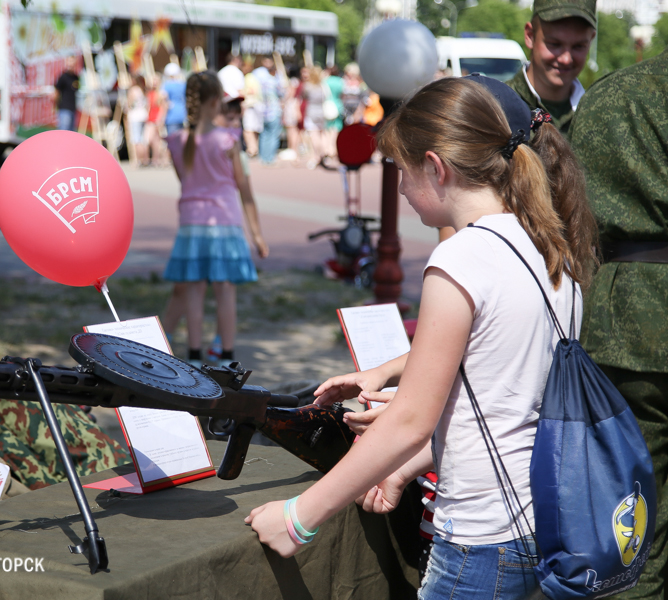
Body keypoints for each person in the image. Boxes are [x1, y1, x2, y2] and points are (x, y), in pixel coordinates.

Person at [246, 76, 597, 600]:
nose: (403, 190)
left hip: (479, 540)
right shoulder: (551, 250)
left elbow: (411, 421)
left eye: (402, 172)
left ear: (435, 167)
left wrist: (299, 517)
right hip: (537, 521)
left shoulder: (460, 259)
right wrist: (404, 468)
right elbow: (507, 402)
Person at [568, 50, 668, 600]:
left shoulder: (609, 94)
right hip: (624, 320)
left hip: (622, 324)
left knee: (630, 519)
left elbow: (572, 216)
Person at [164, 71, 268, 368]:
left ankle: (194, 356)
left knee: (194, 289)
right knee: (225, 290)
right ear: (214, 101)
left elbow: (185, 181)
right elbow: (244, 189)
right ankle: (227, 357)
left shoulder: (177, 141)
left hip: (191, 222)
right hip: (224, 221)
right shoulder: (228, 140)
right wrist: (257, 235)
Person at [505, 0, 597, 134]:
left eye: (578, 46)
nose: (566, 59)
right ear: (530, 36)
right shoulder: (496, 110)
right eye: (554, 44)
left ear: (591, 40)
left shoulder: (600, 115)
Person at [253, 57, 284, 164]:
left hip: (263, 111)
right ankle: (269, 158)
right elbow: (282, 94)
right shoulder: (275, 81)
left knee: (265, 135)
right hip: (273, 111)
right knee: (272, 135)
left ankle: (263, 157)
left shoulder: (260, 78)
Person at [301, 66, 327, 169]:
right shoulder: (322, 86)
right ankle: (324, 152)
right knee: (322, 134)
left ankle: (316, 156)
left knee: (314, 135)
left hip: (312, 112)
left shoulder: (308, 86)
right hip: (321, 112)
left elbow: (303, 97)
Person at [241, 57, 263, 159]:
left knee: (248, 129)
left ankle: (251, 149)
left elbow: (252, 91)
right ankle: (255, 148)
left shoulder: (248, 78)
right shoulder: (254, 77)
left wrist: (241, 93)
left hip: (251, 106)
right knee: (254, 129)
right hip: (257, 105)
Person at [127, 75, 150, 167]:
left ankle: (138, 160)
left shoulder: (133, 90)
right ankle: (145, 159)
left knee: (136, 139)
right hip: (143, 115)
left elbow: (129, 103)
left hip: (135, 116)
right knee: (143, 139)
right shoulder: (143, 90)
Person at [54, 55, 79, 132]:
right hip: (64, 109)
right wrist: (56, 106)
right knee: (63, 133)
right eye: (69, 61)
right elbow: (56, 92)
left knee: (71, 134)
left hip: (73, 109)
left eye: (72, 61)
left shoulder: (76, 77)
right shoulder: (63, 77)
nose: (71, 64)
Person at [323, 65, 344, 157]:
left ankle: (328, 148)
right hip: (338, 105)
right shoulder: (341, 81)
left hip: (327, 105)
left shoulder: (325, 81)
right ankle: (333, 148)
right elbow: (342, 95)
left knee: (327, 129)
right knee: (336, 129)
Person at [161, 63, 187, 136]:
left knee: (173, 143)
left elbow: (164, 102)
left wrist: (162, 118)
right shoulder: (183, 84)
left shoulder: (167, 85)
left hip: (171, 117)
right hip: (183, 115)